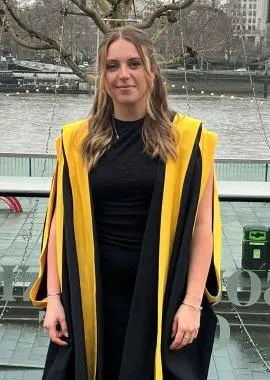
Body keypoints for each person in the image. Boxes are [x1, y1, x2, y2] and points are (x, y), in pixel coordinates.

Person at [30, 26, 222, 380]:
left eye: (134, 63)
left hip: (162, 297)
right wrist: (54, 298)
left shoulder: (190, 140)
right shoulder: (76, 142)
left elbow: (202, 228)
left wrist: (192, 303)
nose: (124, 75)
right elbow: (59, 221)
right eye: (112, 66)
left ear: (152, 70)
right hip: (91, 297)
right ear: (101, 76)